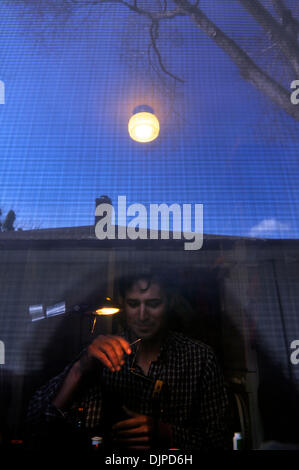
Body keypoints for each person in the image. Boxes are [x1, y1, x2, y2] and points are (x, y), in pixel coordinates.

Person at [26, 270, 232, 451]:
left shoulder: (200, 358)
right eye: (134, 304)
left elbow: (221, 442)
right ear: (123, 304)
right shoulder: (100, 355)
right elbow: (37, 423)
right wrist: (79, 369)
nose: (143, 315)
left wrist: (167, 433)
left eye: (153, 304)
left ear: (168, 302)